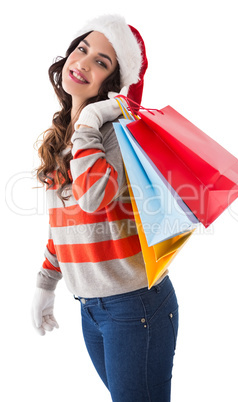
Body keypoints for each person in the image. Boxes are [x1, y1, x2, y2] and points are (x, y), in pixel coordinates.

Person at [31, 14, 179, 402]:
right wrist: (46, 284)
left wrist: (94, 118)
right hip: (93, 309)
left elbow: (94, 199)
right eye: (82, 49)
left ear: (113, 84)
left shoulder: (113, 133)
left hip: (134, 306)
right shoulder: (68, 136)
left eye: (101, 61)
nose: (83, 62)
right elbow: (65, 225)